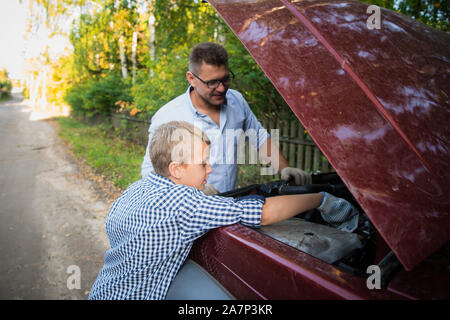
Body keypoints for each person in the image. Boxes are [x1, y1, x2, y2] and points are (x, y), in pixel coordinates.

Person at [89, 121, 359, 300]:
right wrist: (321, 199)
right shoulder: (186, 204)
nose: (210, 170)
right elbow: (263, 212)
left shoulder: (136, 189)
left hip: (104, 291)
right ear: (176, 169)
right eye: (203, 164)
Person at [141, 42, 311, 194]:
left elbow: (258, 137)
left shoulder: (237, 101)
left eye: (225, 79)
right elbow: (150, 173)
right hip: (189, 212)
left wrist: (284, 168)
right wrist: (190, 192)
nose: (222, 89)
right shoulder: (169, 116)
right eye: (212, 82)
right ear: (191, 79)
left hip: (229, 203)